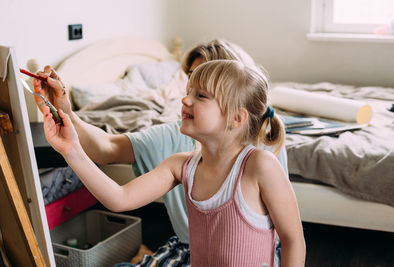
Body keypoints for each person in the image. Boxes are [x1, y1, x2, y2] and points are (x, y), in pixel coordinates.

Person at [33, 40, 289, 266]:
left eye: (201, 93)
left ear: (236, 113)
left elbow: (290, 238)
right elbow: (118, 191)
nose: (184, 99)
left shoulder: (261, 157)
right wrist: (70, 141)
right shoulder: (179, 159)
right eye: (189, 84)